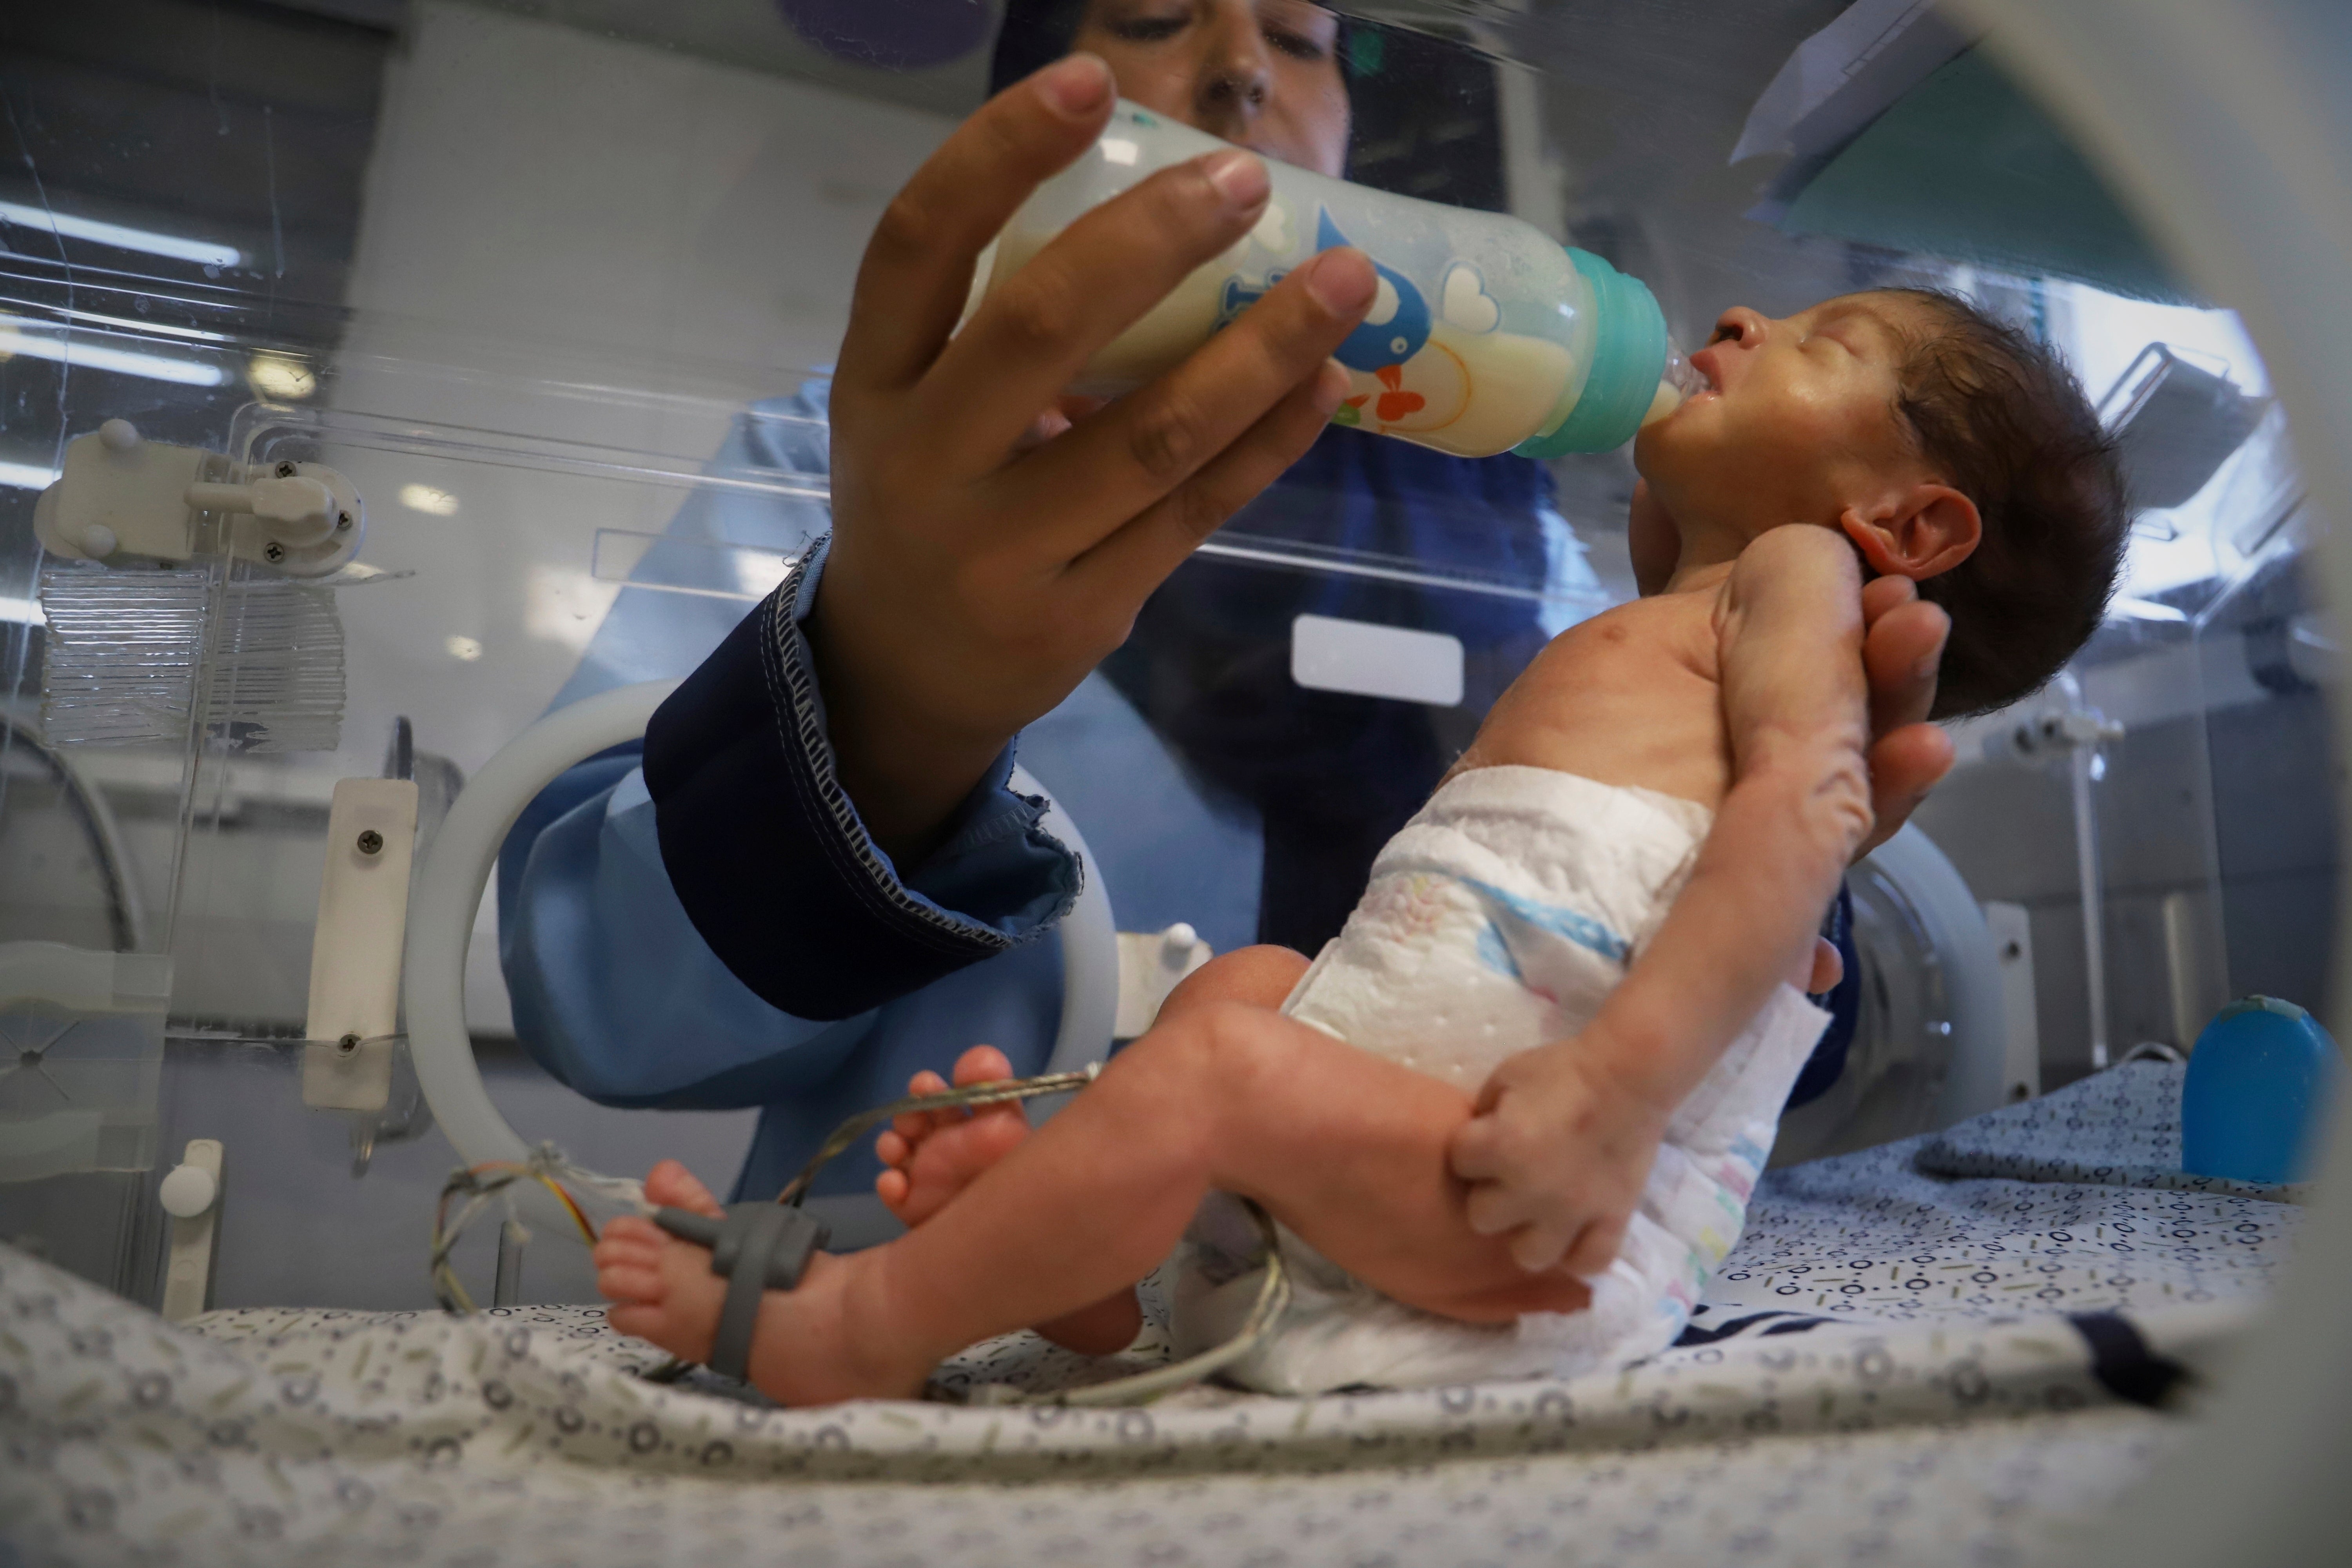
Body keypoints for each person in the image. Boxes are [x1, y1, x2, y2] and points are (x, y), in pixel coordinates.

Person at [499, 3, 1957, 1223]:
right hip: (927, 1330)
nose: (1245, 66)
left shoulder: (1527, 554)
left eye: (1308, 35)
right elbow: (607, 1018)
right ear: (1042, 119)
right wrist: (886, 704)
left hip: (1401, 1338)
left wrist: (1763, 844)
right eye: (1148, 15)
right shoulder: (857, 481)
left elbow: (1742, 1055)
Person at [590, 287, 2129, 1403]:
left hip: (1547, 1216)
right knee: (1243, 992)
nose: (1740, 312)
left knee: (1220, 1069)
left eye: (1826, 342)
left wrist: (1613, 1096)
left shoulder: (1786, 581)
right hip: (1428, 1173)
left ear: (1911, 528)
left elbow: (1808, 813)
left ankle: (863, 1326)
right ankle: (1092, 1282)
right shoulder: (1668, 611)